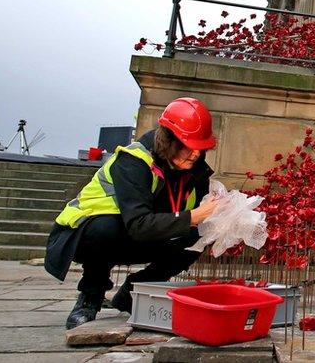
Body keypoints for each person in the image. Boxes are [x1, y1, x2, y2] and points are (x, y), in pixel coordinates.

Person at [45, 97, 221, 329]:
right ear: (168, 140)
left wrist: (222, 218)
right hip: (91, 235)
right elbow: (138, 224)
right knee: (106, 228)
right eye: (188, 146)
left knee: (202, 236)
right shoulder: (133, 161)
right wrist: (195, 215)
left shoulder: (195, 170)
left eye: (200, 148)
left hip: (148, 235)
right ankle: (90, 295)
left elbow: (191, 219)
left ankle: (133, 292)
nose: (195, 154)